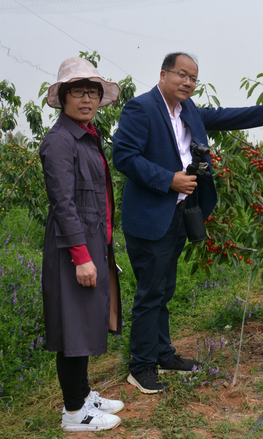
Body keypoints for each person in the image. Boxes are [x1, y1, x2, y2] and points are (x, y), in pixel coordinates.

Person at [112, 52, 263, 394]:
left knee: (164, 290)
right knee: (150, 292)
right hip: (151, 216)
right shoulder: (141, 108)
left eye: (193, 78)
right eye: (182, 74)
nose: (188, 82)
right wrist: (169, 180)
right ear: (163, 74)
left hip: (178, 214)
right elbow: (124, 156)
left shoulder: (188, 110)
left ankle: (162, 354)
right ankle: (141, 366)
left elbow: (218, 116)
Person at [40, 57, 124, 432]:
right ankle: (74, 413)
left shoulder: (86, 134)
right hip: (73, 248)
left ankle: (83, 392)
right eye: (78, 91)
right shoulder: (59, 141)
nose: (87, 99)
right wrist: (81, 257)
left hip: (92, 242)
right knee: (73, 328)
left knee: (86, 321)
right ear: (63, 97)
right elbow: (63, 203)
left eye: (92, 91)